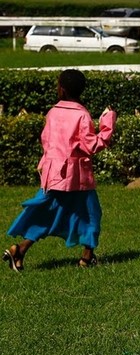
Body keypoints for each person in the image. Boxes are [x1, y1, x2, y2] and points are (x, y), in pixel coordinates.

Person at [5, 69, 116, 271]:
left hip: (53, 174)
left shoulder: (53, 112)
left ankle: (20, 250)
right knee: (91, 215)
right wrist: (107, 123)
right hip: (78, 178)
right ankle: (86, 257)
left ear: (61, 89)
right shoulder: (82, 114)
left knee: (48, 214)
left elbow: (46, 141)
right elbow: (92, 146)